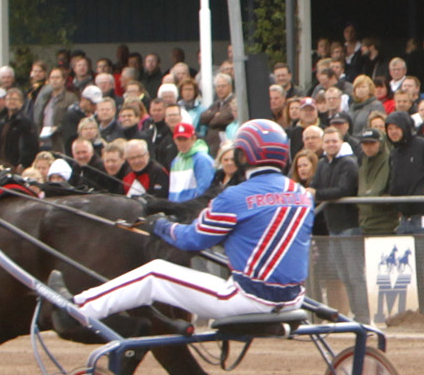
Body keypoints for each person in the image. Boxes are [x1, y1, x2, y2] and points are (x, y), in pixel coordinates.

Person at [67, 120, 315, 327]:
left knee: (155, 273)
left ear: (242, 155)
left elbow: (191, 240)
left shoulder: (234, 196)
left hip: (248, 299)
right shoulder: (303, 195)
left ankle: (79, 307)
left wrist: (160, 225)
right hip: (294, 299)